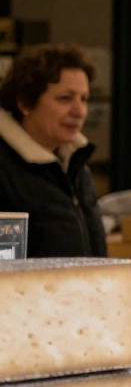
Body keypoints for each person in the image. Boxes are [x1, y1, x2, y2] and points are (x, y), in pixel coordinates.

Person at [0, 43, 105, 258]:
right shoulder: (5, 170)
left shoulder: (76, 165)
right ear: (25, 103)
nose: (79, 111)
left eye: (84, 99)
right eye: (65, 98)